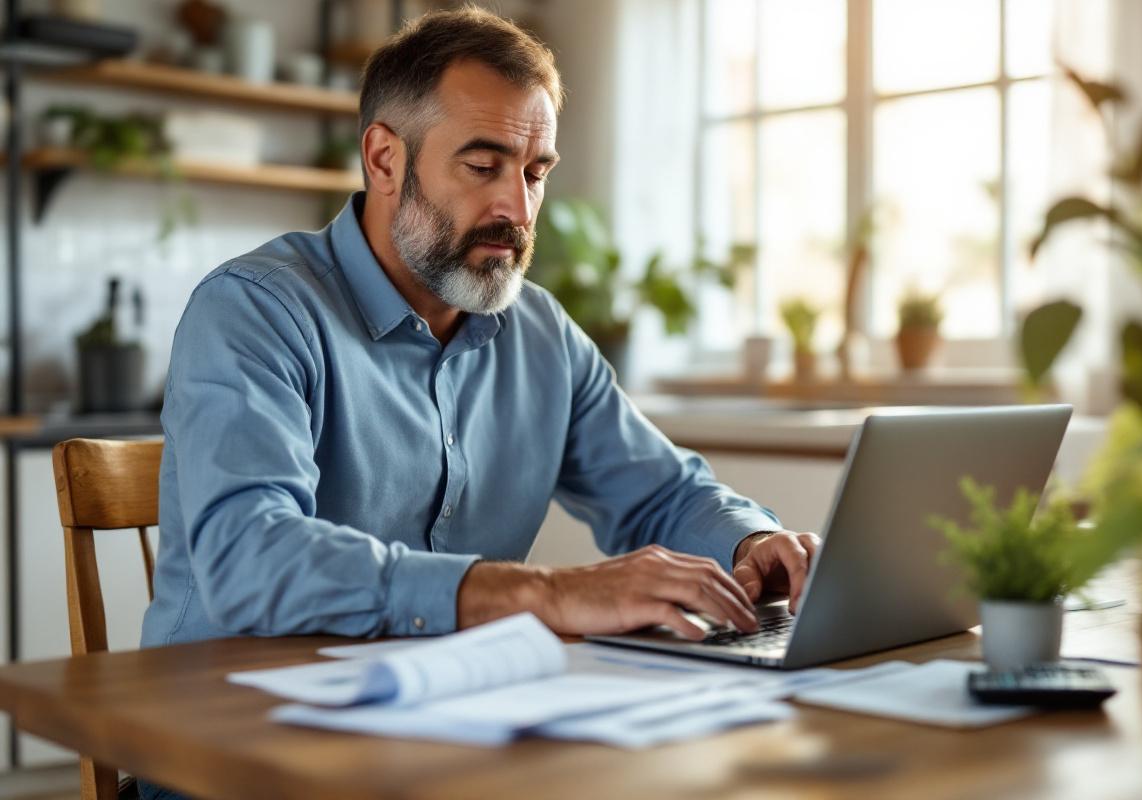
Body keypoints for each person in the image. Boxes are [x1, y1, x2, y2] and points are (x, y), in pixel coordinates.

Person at [143, 6, 819, 669]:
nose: (518, 211)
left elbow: (661, 493)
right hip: (229, 733)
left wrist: (749, 542)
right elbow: (250, 558)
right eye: (482, 166)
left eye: (535, 173)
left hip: (448, 713)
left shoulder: (541, 333)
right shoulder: (256, 310)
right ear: (383, 160)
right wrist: (549, 594)